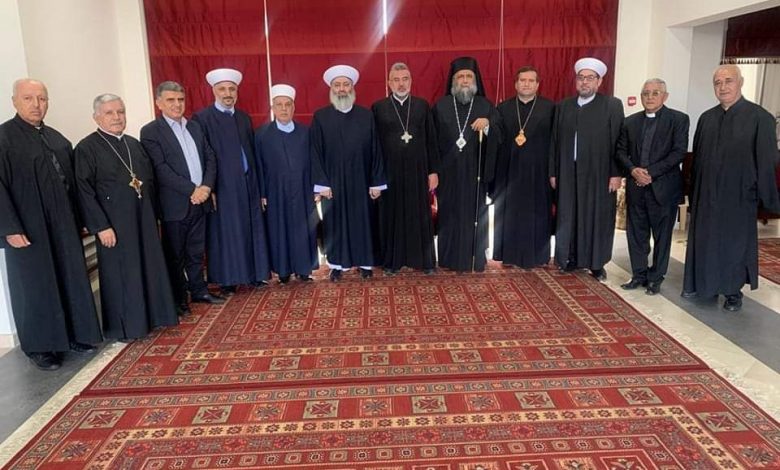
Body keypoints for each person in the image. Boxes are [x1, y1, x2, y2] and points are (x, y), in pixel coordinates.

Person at [0, 79, 101, 370]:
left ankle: (74, 335)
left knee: (69, 277)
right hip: (27, 229)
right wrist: (9, 228)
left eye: (42, 99)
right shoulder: (4, 138)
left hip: (63, 225)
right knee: (35, 286)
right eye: (28, 98)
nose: (36, 105)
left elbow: (73, 186)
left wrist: (81, 221)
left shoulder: (57, 139)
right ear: (14, 101)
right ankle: (41, 347)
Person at [74, 94, 178, 342]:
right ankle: (126, 327)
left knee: (148, 267)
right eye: (109, 113)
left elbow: (148, 182)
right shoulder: (86, 148)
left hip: (143, 219)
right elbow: (83, 191)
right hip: (114, 225)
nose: (117, 117)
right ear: (96, 117)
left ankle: (153, 317)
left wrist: (156, 217)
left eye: (120, 112)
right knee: (122, 274)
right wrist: (101, 226)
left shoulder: (134, 144)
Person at [683, 64, 780, 312]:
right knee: (705, 242)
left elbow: (767, 162)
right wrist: (693, 195)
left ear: (741, 82)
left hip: (739, 196)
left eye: (728, 81)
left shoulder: (760, 118)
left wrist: (764, 198)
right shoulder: (707, 118)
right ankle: (705, 286)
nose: (723, 87)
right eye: (717, 83)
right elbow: (698, 160)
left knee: (733, 246)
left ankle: (732, 292)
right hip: (706, 195)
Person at [140, 81, 223, 316]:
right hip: (175, 205)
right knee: (175, 256)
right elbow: (160, 169)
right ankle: (178, 299)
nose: (177, 105)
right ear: (159, 103)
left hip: (201, 201)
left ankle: (199, 291)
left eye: (180, 100)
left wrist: (206, 187)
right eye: (170, 100)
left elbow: (210, 158)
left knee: (196, 251)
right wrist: (191, 190)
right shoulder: (151, 131)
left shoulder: (194, 126)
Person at [193, 68, 270, 293]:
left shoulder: (243, 117)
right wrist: (210, 188)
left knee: (251, 228)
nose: (228, 93)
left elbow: (252, 153)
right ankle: (228, 279)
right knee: (228, 232)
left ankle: (254, 275)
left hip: (249, 183)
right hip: (223, 186)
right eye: (222, 89)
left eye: (232, 89)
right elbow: (201, 156)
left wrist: (260, 188)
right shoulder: (202, 118)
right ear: (214, 91)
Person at [549, 57, 624, 280]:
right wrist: (553, 172)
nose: (584, 82)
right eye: (581, 78)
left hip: (598, 173)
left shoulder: (611, 105)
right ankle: (568, 258)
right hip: (567, 172)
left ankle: (596, 263)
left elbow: (619, 141)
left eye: (590, 78)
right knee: (568, 216)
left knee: (596, 217)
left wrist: (616, 173)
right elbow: (554, 141)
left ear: (599, 81)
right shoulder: (564, 106)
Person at [311, 64, 387, 282]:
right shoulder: (321, 117)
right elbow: (315, 151)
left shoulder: (366, 115)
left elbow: (376, 149)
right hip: (333, 184)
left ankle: (365, 263)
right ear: (331, 89)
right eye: (337, 85)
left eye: (346, 84)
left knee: (363, 221)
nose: (342, 89)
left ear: (352, 88)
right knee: (335, 223)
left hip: (361, 179)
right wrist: (322, 184)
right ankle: (336, 265)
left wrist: (376, 183)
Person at [617, 78, 689, 295]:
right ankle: (639, 274)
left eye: (655, 93)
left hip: (663, 188)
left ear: (665, 96)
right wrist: (633, 170)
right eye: (646, 93)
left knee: (662, 237)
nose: (649, 97)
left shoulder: (678, 119)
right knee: (636, 234)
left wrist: (649, 173)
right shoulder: (630, 122)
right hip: (636, 186)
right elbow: (620, 151)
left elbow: (678, 152)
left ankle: (656, 277)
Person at [432, 56, 500, 272]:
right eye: (460, 76)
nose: (464, 80)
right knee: (449, 216)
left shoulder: (485, 105)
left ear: (475, 80)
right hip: (448, 173)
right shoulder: (440, 106)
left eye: (468, 76)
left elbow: (500, 135)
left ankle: (475, 259)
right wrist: (434, 171)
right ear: (453, 81)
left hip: (475, 173)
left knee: (475, 215)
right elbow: (431, 141)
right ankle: (448, 258)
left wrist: (487, 125)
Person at [371, 62, 439, 275]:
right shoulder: (378, 107)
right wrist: (376, 177)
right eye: (396, 80)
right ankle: (392, 261)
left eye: (405, 79)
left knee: (419, 215)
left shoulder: (422, 105)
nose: (401, 84)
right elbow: (374, 145)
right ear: (389, 83)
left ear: (411, 81)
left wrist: (433, 171)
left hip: (418, 171)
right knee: (392, 216)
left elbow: (431, 140)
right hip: (390, 172)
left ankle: (424, 261)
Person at [254, 84, 318, 283]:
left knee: (303, 228)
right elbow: (258, 165)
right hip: (275, 191)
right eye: (279, 105)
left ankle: (304, 269)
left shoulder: (306, 132)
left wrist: (316, 187)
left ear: (293, 107)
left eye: (287, 104)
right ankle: (283, 271)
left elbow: (314, 161)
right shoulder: (261, 134)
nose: (283, 109)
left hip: (302, 189)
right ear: (272, 108)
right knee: (278, 229)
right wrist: (262, 193)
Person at [493, 66, 555, 268]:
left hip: (539, 172)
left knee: (538, 215)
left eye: (530, 81)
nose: (526, 84)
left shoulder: (550, 108)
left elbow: (556, 142)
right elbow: (496, 141)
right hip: (510, 172)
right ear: (516, 84)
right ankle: (509, 255)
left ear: (537, 85)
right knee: (511, 214)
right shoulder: (503, 108)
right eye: (522, 80)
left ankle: (538, 256)